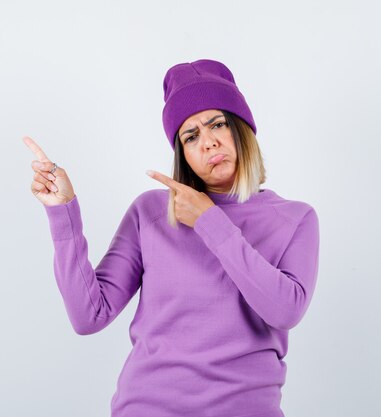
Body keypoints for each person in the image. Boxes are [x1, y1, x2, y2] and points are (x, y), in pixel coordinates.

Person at [23, 59, 320, 417]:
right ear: (183, 154)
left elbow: (284, 311)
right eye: (191, 136)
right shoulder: (151, 212)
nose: (208, 143)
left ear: (242, 129)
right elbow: (89, 316)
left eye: (218, 125)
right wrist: (63, 212)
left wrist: (210, 220)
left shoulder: (295, 219)